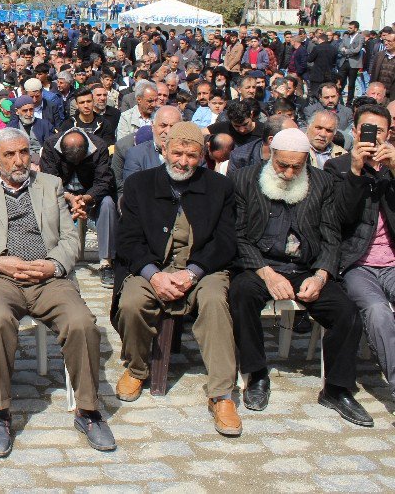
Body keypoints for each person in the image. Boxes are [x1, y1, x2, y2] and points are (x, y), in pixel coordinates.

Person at [0, 127, 115, 458]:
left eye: (23, 153)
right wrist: (1, 262)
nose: (18, 160)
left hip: (49, 277)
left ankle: (88, 412)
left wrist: (54, 265)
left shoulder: (50, 185)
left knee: (82, 322)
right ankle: (0, 414)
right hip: (1, 278)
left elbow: (70, 237)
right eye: (10, 155)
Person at [229, 128, 372, 427]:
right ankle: (256, 374)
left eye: (298, 165)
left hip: (305, 267)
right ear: (271, 155)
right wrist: (267, 275)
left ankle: (336, 389)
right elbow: (239, 236)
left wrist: (321, 276)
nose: (290, 172)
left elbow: (331, 235)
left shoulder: (321, 182)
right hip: (261, 265)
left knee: (346, 312)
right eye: (283, 165)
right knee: (241, 295)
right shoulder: (244, 179)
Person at [112, 122, 242, 436]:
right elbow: (128, 240)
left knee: (214, 301)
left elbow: (225, 241)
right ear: (165, 150)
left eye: (192, 155)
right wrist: (154, 276)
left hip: (202, 269)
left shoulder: (220, 187)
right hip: (151, 267)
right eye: (177, 153)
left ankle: (221, 393)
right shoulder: (139, 185)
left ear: (203, 156)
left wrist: (192, 272)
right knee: (131, 302)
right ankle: (137, 367)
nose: (182, 161)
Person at [331, 104, 395, 404]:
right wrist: (356, 172)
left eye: (379, 131)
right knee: (378, 311)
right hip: (357, 265)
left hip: (393, 262)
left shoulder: (392, 167)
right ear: (355, 132)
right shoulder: (338, 168)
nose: (373, 136)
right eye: (367, 130)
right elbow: (340, 218)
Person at [40, 129, 118, 288]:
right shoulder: (50, 145)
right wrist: (68, 197)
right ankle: (54, 258)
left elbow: (104, 181)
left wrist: (85, 199)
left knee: (108, 204)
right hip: (61, 195)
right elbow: (48, 180)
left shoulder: (99, 146)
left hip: (90, 195)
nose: (76, 165)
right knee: (45, 202)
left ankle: (106, 262)